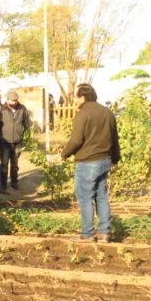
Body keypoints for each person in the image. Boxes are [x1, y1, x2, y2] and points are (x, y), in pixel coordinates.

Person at [60, 83, 121, 243]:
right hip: (104, 160)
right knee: (101, 197)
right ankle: (104, 233)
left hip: (87, 162)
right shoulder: (108, 112)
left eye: (75, 97)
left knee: (85, 198)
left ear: (82, 97)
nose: (74, 100)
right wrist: (115, 159)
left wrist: (64, 154)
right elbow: (114, 139)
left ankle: (87, 234)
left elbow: (76, 140)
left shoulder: (83, 114)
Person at [0, 89, 31, 192]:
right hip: (4, 142)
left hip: (18, 141)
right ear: (7, 100)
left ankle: (14, 183)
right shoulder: (1, 110)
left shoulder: (22, 109)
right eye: (12, 100)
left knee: (15, 164)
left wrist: (25, 136)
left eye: (15, 100)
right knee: (4, 164)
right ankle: (3, 184)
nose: (14, 102)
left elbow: (27, 123)